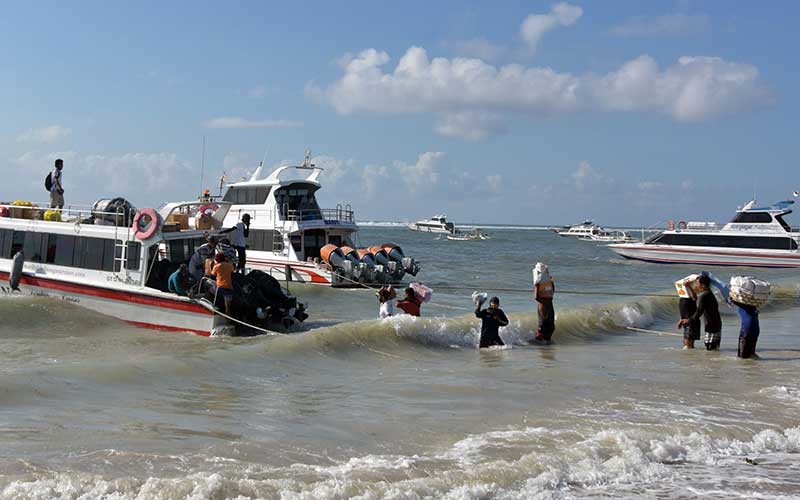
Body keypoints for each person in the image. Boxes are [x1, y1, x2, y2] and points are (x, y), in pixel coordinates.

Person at [678, 273, 722, 350]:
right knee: (714, 350)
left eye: (697, 283)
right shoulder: (709, 294)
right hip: (716, 324)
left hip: (711, 325)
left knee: (710, 350)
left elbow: (698, 313)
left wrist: (687, 321)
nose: (696, 285)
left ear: (702, 285)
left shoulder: (703, 296)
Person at [532, 263, 556, 343]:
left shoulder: (543, 301)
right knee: (547, 343)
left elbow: (536, 297)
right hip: (551, 326)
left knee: (538, 342)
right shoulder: (550, 298)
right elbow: (552, 290)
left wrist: (536, 286)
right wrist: (551, 282)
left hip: (544, 326)